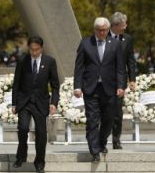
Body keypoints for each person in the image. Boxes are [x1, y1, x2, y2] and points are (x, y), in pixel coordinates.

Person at [73, 17, 126, 163]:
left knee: (109, 119)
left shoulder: (115, 44)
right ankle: (94, 150)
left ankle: (102, 142)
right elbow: (79, 67)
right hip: (91, 88)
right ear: (95, 29)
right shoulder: (85, 44)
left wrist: (121, 86)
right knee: (92, 120)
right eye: (99, 30)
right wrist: (77, 86)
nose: (102, 32)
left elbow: (120, 68)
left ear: (108, 29)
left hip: (110, 88)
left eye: (104, 30)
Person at [12, 36, 60, 173]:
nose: (34, 52)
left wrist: (54, 103)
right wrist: (14, 103)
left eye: (37, 49)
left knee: (41, 133)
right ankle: (21, 156)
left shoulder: (50, 61)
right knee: (22, 128)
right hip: (24, 102)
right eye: (32, 49)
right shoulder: (22, 60)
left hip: (41, 102)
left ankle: (39, 161)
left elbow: (55, 85)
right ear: (29, 48)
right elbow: (16, 83)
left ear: (42, 48)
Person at [108, 12, 137, 149]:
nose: (125, 27)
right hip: (104, 80)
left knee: (118, 112)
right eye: (123, 24)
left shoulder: (128, 39)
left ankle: (116, 140)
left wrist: (132, 79)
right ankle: (101, 138)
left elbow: (131, 60)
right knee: (104, 111)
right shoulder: (103, 37)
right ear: (115, 25)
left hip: (120, 82)